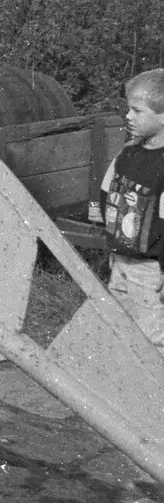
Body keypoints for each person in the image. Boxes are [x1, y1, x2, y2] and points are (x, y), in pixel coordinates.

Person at [95, 67, 164, 347]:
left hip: (149, 268)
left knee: (152, 335)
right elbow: (106, 194)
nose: (128, 116)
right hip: (121, 259)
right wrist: (115, 243)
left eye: (137, 111)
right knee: (120, 328)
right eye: (128, 109)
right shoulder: (128, 153)